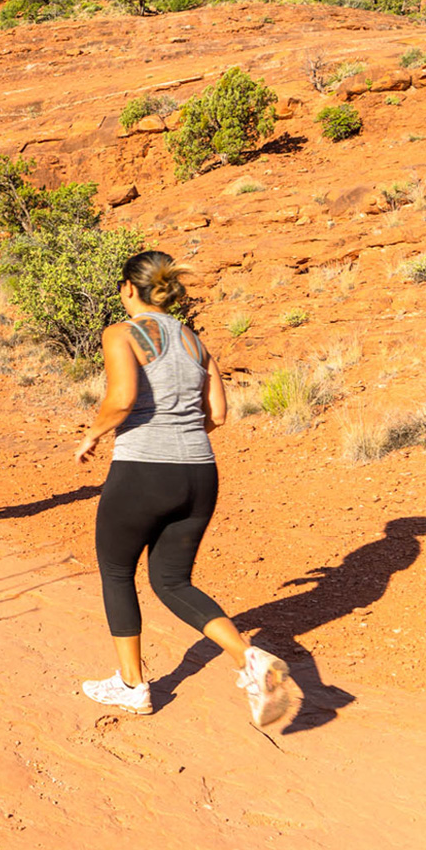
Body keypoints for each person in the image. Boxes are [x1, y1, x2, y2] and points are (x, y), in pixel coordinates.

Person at [73, 251, 301, 727]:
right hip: (199, 473)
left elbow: (122, 399)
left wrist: (93, 434)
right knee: (172, 581)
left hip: (142, 470)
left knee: (117, 572)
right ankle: (249, 659)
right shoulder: (196, 342)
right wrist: (182, 444)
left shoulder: (120, 333)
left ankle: (133, 686)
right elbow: (217, 414)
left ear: (128, 290)